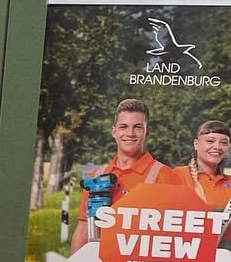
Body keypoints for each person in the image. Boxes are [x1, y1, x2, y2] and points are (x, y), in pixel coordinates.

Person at [69, 99, 168, 252]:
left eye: (137, 127)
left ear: (147, 132)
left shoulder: (165, 176)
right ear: (114, 132)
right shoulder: (97, 176)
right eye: (124, 127)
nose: (130, 133)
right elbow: (83, 230)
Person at [158, 119, 231, 246]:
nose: (217, 147)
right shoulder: (176, 176)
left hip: (222, 261)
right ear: (196, 144)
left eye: (224, 143)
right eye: (210, 141)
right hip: (185, 258)